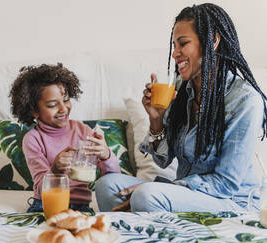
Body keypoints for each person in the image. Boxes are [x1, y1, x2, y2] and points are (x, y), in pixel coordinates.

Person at [95, 3, 267, 212]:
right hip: (188, 192)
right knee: (107, 186)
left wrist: (166, 188)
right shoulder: (178, 89)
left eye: (183, 44)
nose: (175, 53)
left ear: (212, 41)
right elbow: (163, 161)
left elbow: (226, 183)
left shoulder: (244, 100)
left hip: (230, 199)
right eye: (174, 45)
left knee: (146, 195)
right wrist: (156, 119)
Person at [9, 63, 120, 213]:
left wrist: (106, 155)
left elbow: (113, 180)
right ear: (34, 110)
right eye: (52, 105)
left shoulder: (84, 131)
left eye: (66, 100)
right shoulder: (33, 139)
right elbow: (41, 185)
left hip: (80, 206)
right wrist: (55, 170)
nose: (63, 109)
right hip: (45, 203)